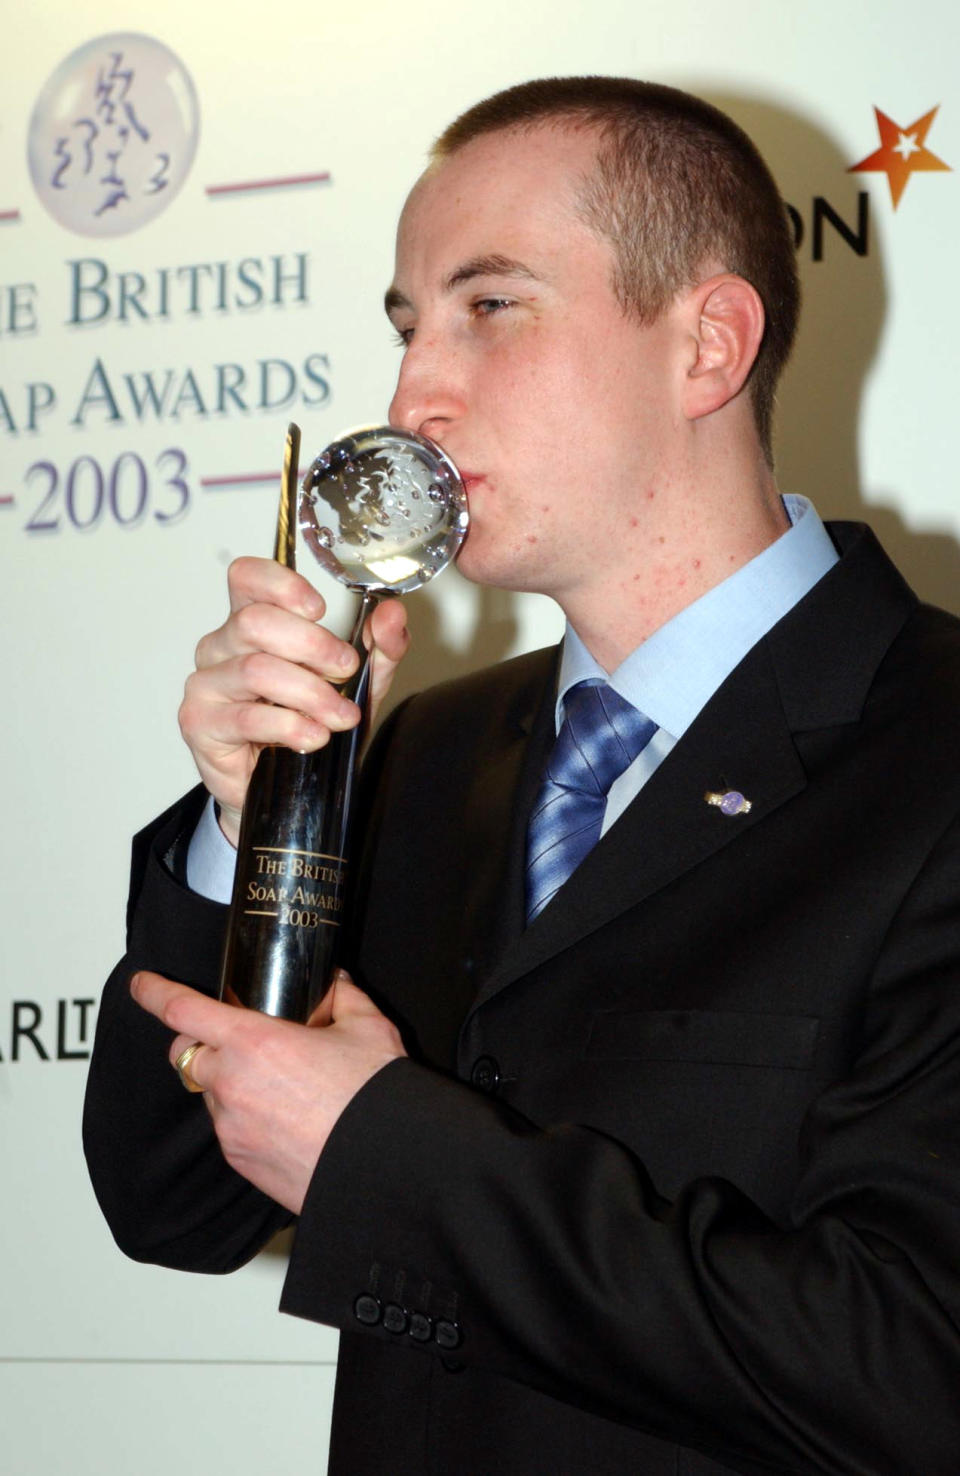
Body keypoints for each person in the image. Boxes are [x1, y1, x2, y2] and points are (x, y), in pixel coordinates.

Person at [84, 76, 960, 1475]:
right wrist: (256, 823)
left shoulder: (932, 751)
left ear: (708, 345)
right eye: (409, 324)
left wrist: (383, 1156)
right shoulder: (421, 751)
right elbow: (163, 1202)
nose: (413, 390)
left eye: (492, 307)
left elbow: (913, 1363)